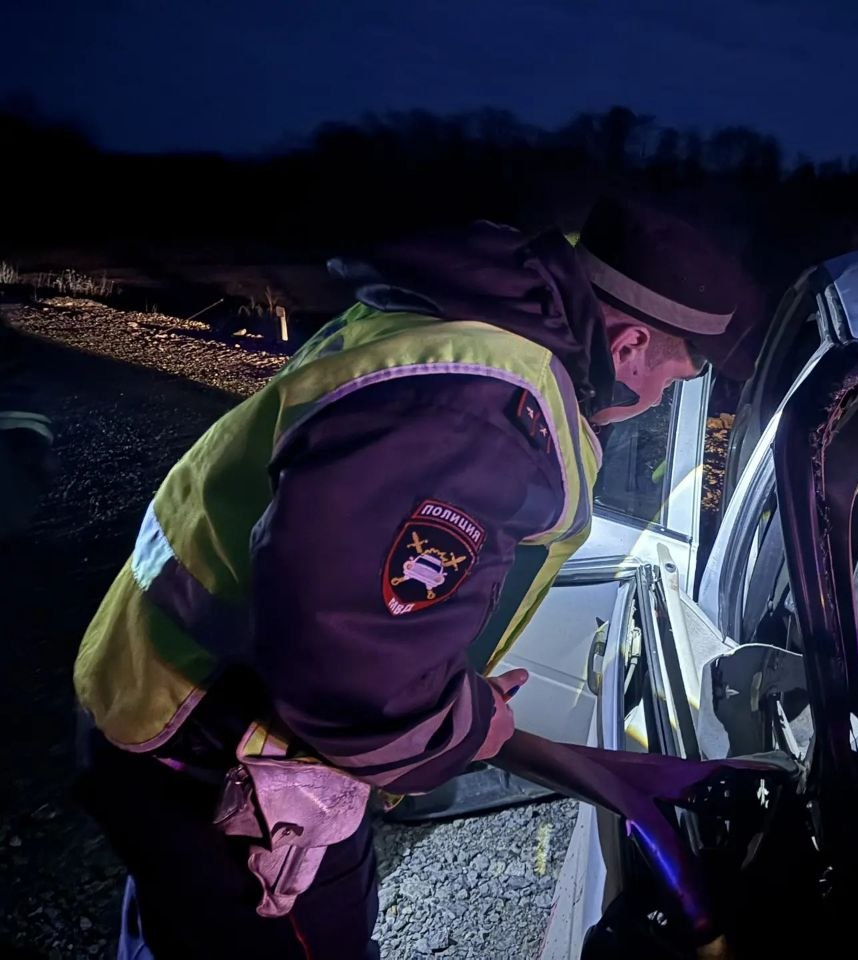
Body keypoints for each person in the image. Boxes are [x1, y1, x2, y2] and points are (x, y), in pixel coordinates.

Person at [72, 196, 758, 959]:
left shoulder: (461, 323)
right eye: (674, 380)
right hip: (222, 753)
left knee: (177, 929)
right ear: (629, 346)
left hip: (164, 692)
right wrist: (462, 725)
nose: (661, 401)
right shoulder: (482, 410)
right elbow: (348, 663)